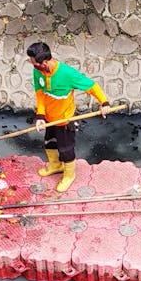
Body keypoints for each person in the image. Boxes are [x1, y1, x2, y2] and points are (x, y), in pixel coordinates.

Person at [26, 41, 110, 193]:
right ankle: (55, 165)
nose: (33, 66)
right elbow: (40, 94)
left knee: (66, 149)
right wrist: (40, 115)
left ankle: (69, 175)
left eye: (34, 63)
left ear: (44, 62)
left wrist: (104, 103)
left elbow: (92, 86)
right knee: (49, 143)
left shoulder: (67, 74)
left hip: (65, 119)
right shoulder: (38, 71)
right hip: (49, 118)